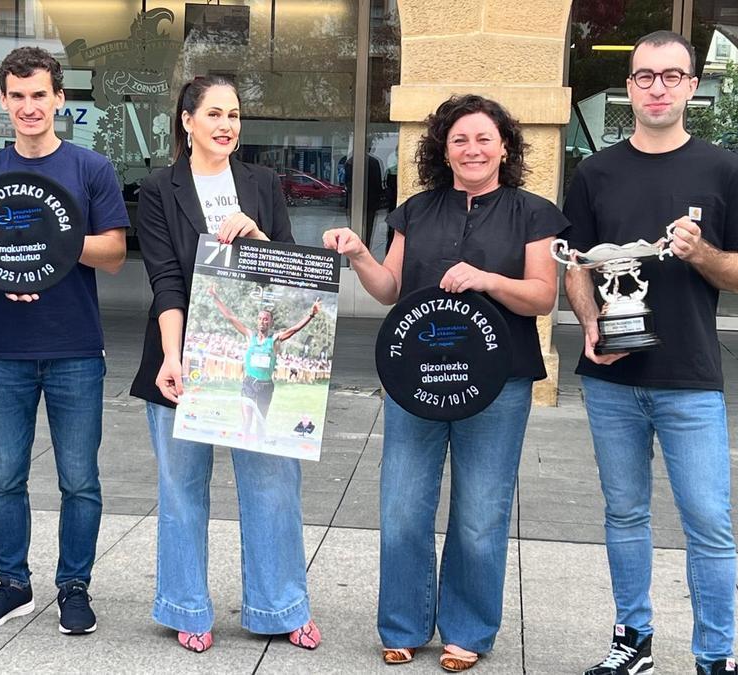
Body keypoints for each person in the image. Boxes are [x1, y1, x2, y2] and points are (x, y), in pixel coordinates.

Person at [324, 94, 565, 671]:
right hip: (416, 378)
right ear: (444, 150)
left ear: (505, 146)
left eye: (484, 138)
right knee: (404, 506)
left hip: (499, 383)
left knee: (481, 513)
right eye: (460, 139)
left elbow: (542, 295)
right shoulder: (415, 210)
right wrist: (359, 254)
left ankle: (468, 631)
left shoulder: (534, 212)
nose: (472, 149)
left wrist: (486, 279)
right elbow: (390, 290)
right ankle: (403, 622)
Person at [561, 31, 738, 675]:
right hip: (612, 376)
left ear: (690, 86)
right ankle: (633, 644)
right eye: (645, 76)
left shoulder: (724, 170)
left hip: (691, 377)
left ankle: (715, 656)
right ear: (630, 87)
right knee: (624, 514)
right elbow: (572, 265)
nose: (657, 87)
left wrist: (700, 252)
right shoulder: (595, 172)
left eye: (671, 76)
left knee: (708, 521)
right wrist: (591, 324)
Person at [130, 75, 321, 654]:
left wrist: (259, 236)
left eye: (234, 114)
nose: (226, 125)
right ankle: (186, 604)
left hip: (257, 360)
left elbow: (288, 270)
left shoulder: (262, 183)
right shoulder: (160, 189)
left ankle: (280, 604)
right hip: (181, 354)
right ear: (186, 120)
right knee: (182, 487)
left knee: (272, 486)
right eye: (213, 113)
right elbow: (165, 280)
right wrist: (172, 358)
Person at [0, 47, 128, 635]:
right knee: (5, 475)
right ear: (3, 102)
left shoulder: (90, 169)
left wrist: (55, 240)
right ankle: (12, 585)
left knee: (79, 478)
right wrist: (3, 276)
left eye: (40, 95)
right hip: (4, 347)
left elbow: (113, 253)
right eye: (17, 96)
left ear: (60, 99)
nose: (29, 107)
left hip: (76, 346)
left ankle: (73, 587)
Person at [206, 286, 320, 440]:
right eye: (260, 318)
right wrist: (215, 297)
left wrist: (311, 315)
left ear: (270, 322)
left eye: (266, 319)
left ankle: (259, 448)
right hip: (249, 384)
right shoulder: (249, 335)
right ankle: (245, 448)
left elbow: (294, 329)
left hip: (266, 386)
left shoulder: (274, 339)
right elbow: (230, 317)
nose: (262, 321)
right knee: (247, 422)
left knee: (261, 422)